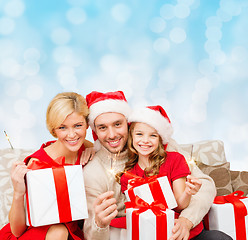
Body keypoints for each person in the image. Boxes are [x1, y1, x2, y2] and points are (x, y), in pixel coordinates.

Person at [82, 90, 232, 240]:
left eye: (118, 124)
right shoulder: (93, 171)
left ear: (128, 124)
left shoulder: (163, 148)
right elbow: (90, 231)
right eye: (102, 127)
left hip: (179, 230)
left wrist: (187, 220)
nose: (112, 134)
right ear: (95, 130)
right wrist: (99, 223)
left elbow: (205, 185)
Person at [118, 105, 232, 239]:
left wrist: (188, 193)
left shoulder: (174, 160)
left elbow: (180, 205)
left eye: (153, 135)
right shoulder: (127, 176)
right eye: (139, 134)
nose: (145, 140)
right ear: (131, 137)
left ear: (160, 140)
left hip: (186, 232)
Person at [0, 92, 94, 240]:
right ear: (54, 129)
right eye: (63, 127)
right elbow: (17, 231)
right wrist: (18, 193)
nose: (72, 135)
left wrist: (94, 149)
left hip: (71, 233)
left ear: (87, 124)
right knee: (59, 230)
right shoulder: (37, 164)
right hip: (35, 234)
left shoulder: (86, 149)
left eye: (77, 125)